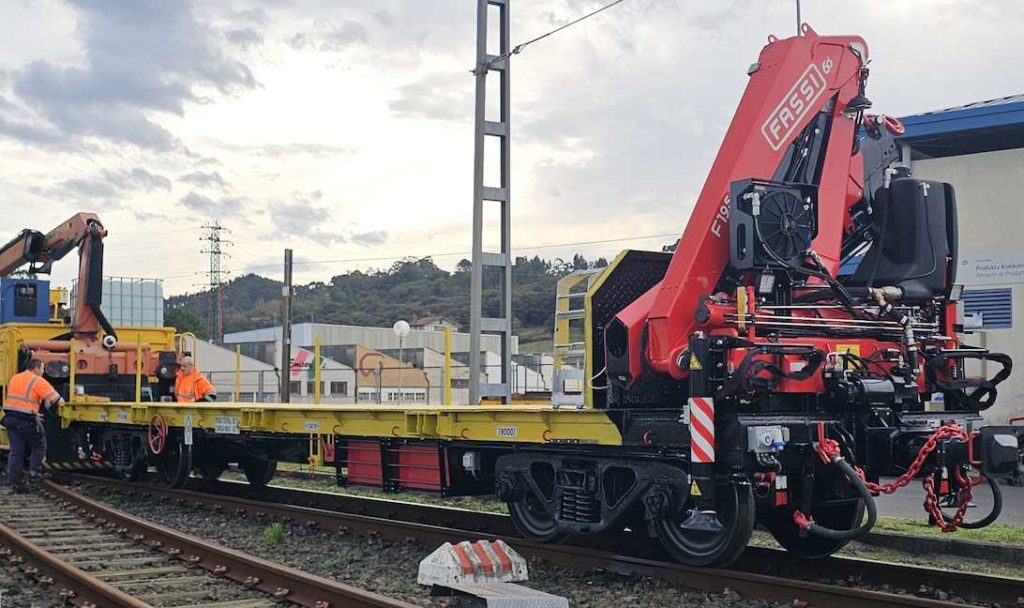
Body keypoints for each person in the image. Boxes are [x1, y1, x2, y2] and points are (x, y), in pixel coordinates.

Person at [2, 359, 63, 493]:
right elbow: (56, 399)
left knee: (16, 451)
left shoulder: (15, 378)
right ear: (36, 369)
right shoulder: (38, 380)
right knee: (39, 445)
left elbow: (19, 400)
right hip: (27, 420)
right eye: (42, 369)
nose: (42, 372)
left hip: (10, 418)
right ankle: (34, 472)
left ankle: (14, 483)